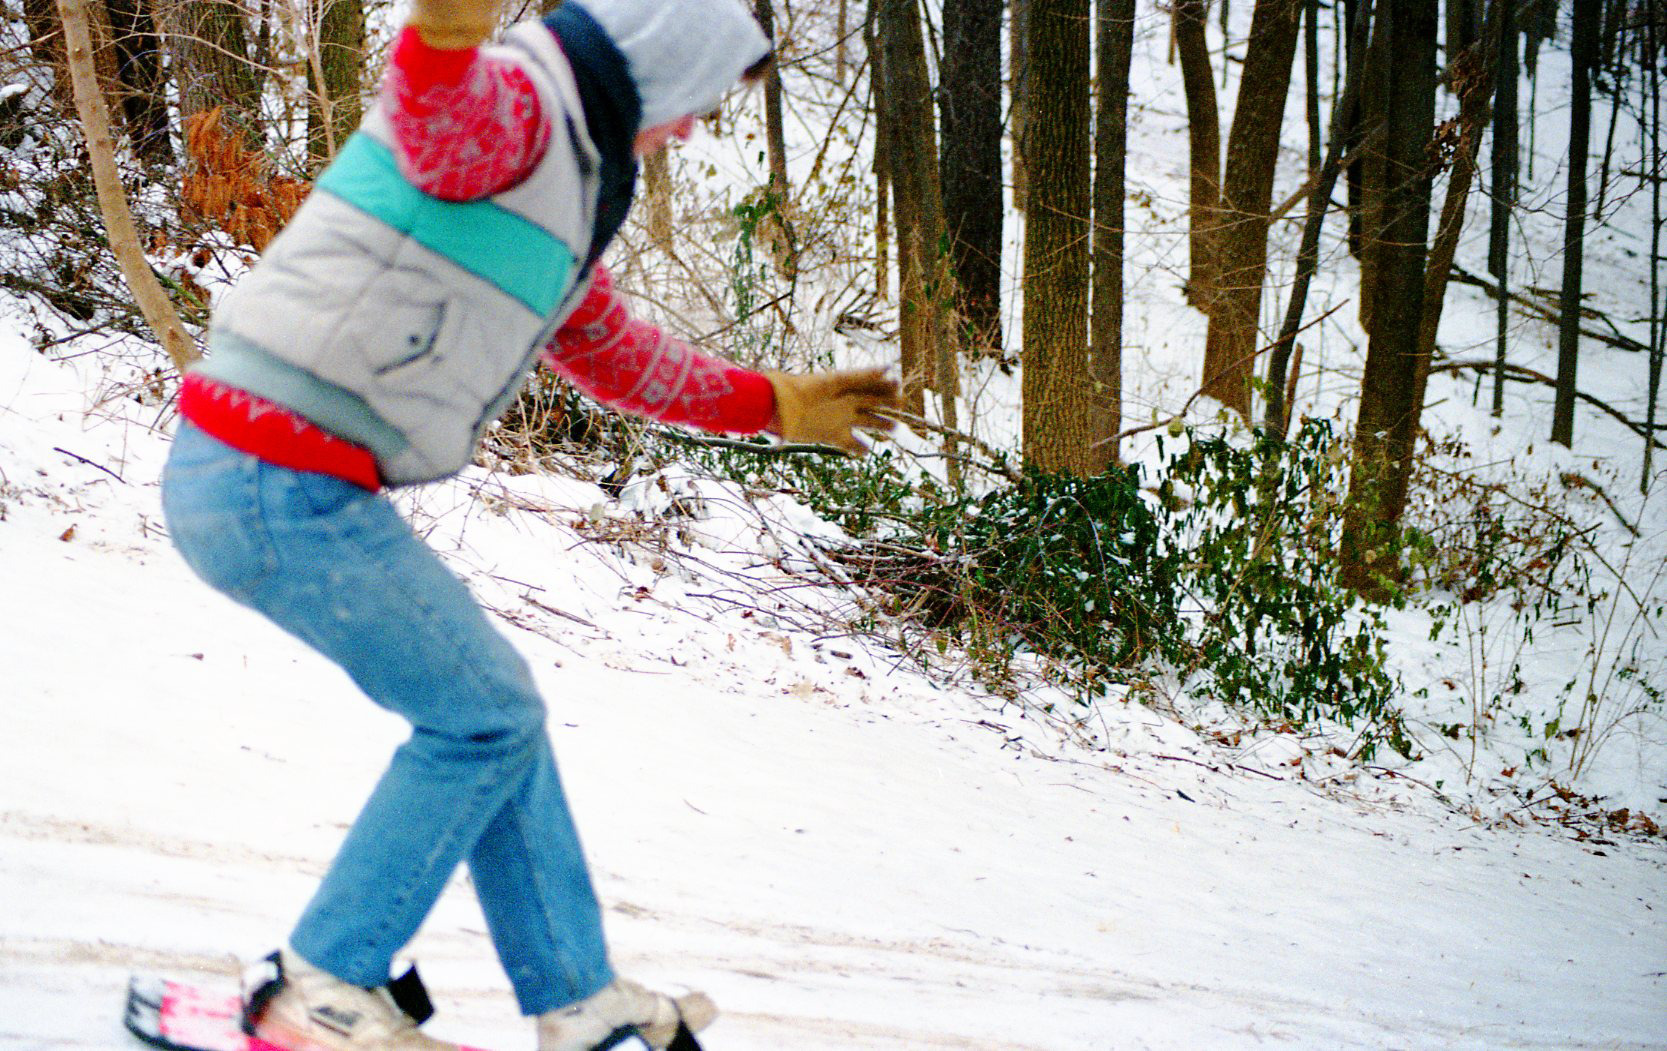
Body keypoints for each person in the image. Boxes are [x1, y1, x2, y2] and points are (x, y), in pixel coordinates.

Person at [159, 0, 901, 1048]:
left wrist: (770, 405)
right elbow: (435, 103)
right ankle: (320, 986)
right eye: (693, 100)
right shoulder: (512, 112)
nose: (691, 128)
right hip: (268, 476)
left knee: (496, 712)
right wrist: (444, 31)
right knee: (484, 716)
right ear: (651, 70)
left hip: (278, 477)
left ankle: (574, 993)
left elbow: (610, 350)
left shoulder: (559, 184)